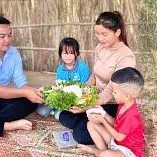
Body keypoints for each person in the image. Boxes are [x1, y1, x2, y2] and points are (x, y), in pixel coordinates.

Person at [58, 11, 136, 144]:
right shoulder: (100, 48)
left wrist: (87, 105)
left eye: (104, 34)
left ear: (117, 32)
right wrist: (81, 93)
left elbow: (110, 92)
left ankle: (109, 125)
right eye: (98, 34)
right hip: (95, 97)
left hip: (113, 103)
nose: (100, 38)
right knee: (65, 116)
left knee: (80, 136)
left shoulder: (126, 56)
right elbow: (95, 74)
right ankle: (89, 118)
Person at [78, 67, 144, 157]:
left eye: (115, 92)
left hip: (128, 151)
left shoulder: (131, 115)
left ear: (126, 96)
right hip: (116, 143)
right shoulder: (123, 104)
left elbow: (119, 137)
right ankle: (104, 151)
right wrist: (103, 114)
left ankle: (95, 151)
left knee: (105, 155)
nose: (112, 94)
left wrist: (103, 121)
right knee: (91, 124)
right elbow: (116, 123)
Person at [36, 37, 91, 120]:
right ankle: (56, 109)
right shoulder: (60, 69)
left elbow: (85, 88)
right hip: (62, 97)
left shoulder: (82, 67)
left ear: (76, 53)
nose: (68, 56)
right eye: (65, 53)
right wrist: (49, 90)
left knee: (58, 116)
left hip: (77, 99)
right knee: (41, 111)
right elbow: (59, 85)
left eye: (71, 53)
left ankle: (59, 111)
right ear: (60, 54)